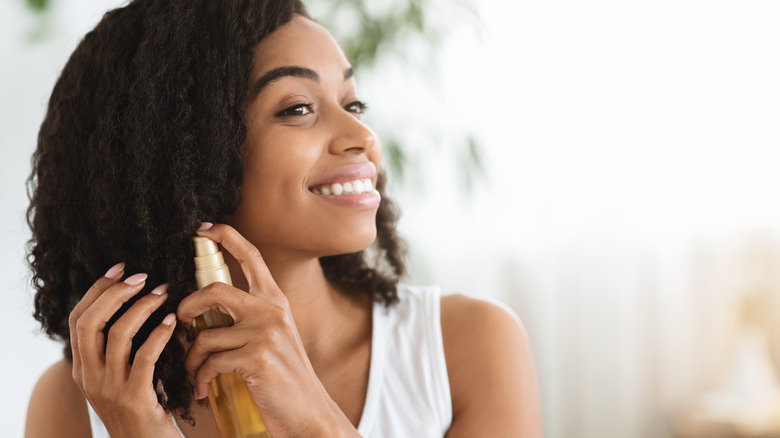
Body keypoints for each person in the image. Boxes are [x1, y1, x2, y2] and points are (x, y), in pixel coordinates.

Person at [24, 0, 542, 436]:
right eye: (298, 108)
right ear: (180, 156)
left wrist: (314, 418)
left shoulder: (467, 346)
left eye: (353, 103)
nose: (363, 138)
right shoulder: (78, 403)